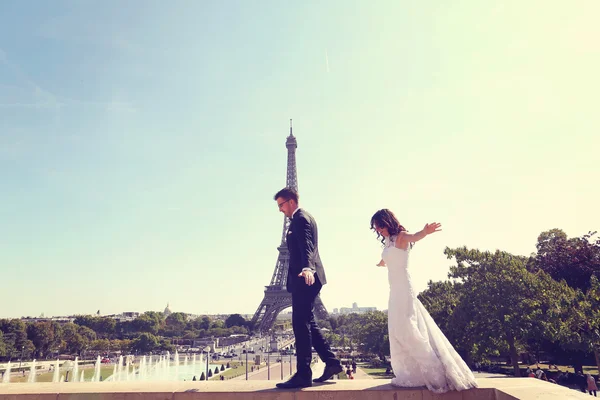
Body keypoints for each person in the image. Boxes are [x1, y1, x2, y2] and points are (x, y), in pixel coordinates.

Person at [371, 209, 478, 394]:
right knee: (397, 329)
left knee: (408, 328)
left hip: (404, 288)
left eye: (380, 226)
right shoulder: (388, 242)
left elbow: (415, 236)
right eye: (376, 228)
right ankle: (412, 373)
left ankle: (435, 372)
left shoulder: (402, 237)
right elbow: (387, 256)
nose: (379, 230)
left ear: (388, 222)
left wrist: (425, 232)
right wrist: (382, 262)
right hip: (394, 290)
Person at [274, 187, 342, 389]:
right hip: (306, 277)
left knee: (299, 324)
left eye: (281, 205)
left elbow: (307, 245)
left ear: (291, 202)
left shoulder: (301, 219)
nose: (280, 210)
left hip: (306, 277)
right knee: (308, 322)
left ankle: (304, 374)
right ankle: (331, 362)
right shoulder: (300, 218)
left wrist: (307, 268)